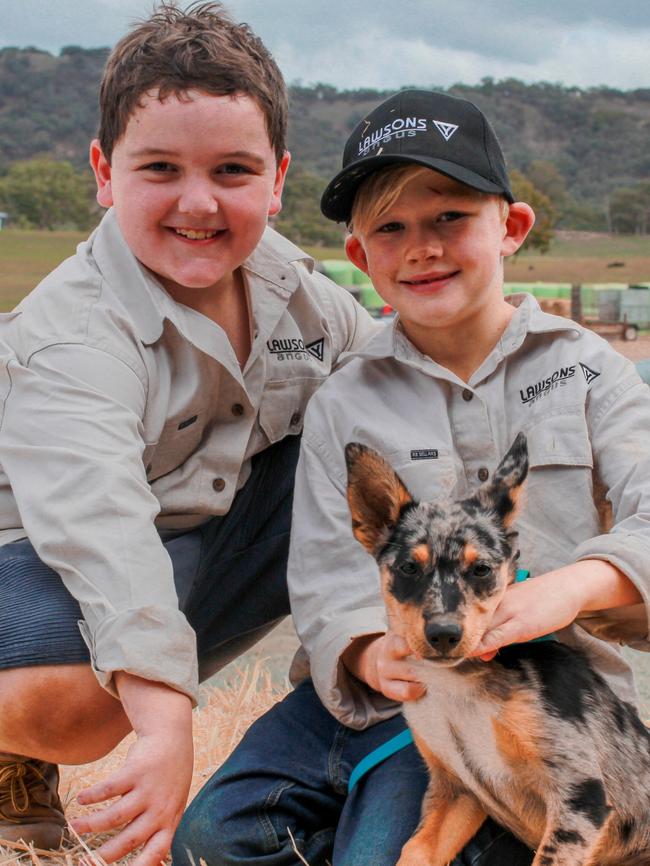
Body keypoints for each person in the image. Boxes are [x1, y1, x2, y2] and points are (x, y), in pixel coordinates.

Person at [174, 89, 650, 866]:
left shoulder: (593, 372)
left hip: (536, 698)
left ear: (513, 228)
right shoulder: (345, 400)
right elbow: (327, 580)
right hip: (391, 690)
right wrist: (367, 655)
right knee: (211, 840)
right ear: (361, 256)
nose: (422, 247)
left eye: (449, 218)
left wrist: (567, 589)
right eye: (391, 228)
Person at [0, 5, 377, 864]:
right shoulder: (71, 335)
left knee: (375, 432)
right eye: (160, 168)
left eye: (234, 171)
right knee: (87, 703)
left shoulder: (304, 296)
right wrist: (165, 720)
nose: (198, 202)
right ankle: (11, 750)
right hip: (40, 556)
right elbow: (100, 532)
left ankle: (341, 739)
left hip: (200, 546)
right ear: (104, 171)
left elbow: (401, 402)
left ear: (277, 179)